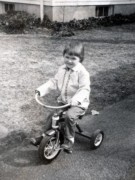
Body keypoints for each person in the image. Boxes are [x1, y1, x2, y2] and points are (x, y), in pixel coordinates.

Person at [31, 42, 91, 153]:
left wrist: (77, 99)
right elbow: (53, 82)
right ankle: (44, 136)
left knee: (69, 116)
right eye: (67, 57)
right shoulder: (62, 69)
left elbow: (84, 89)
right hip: (64, 102)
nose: (69, 61)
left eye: (73, 58)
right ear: (63, 56)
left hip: (79, 104)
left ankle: (69, 141)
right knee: (53, 115)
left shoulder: (83, 73)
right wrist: (41, 90)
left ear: (80, 59)